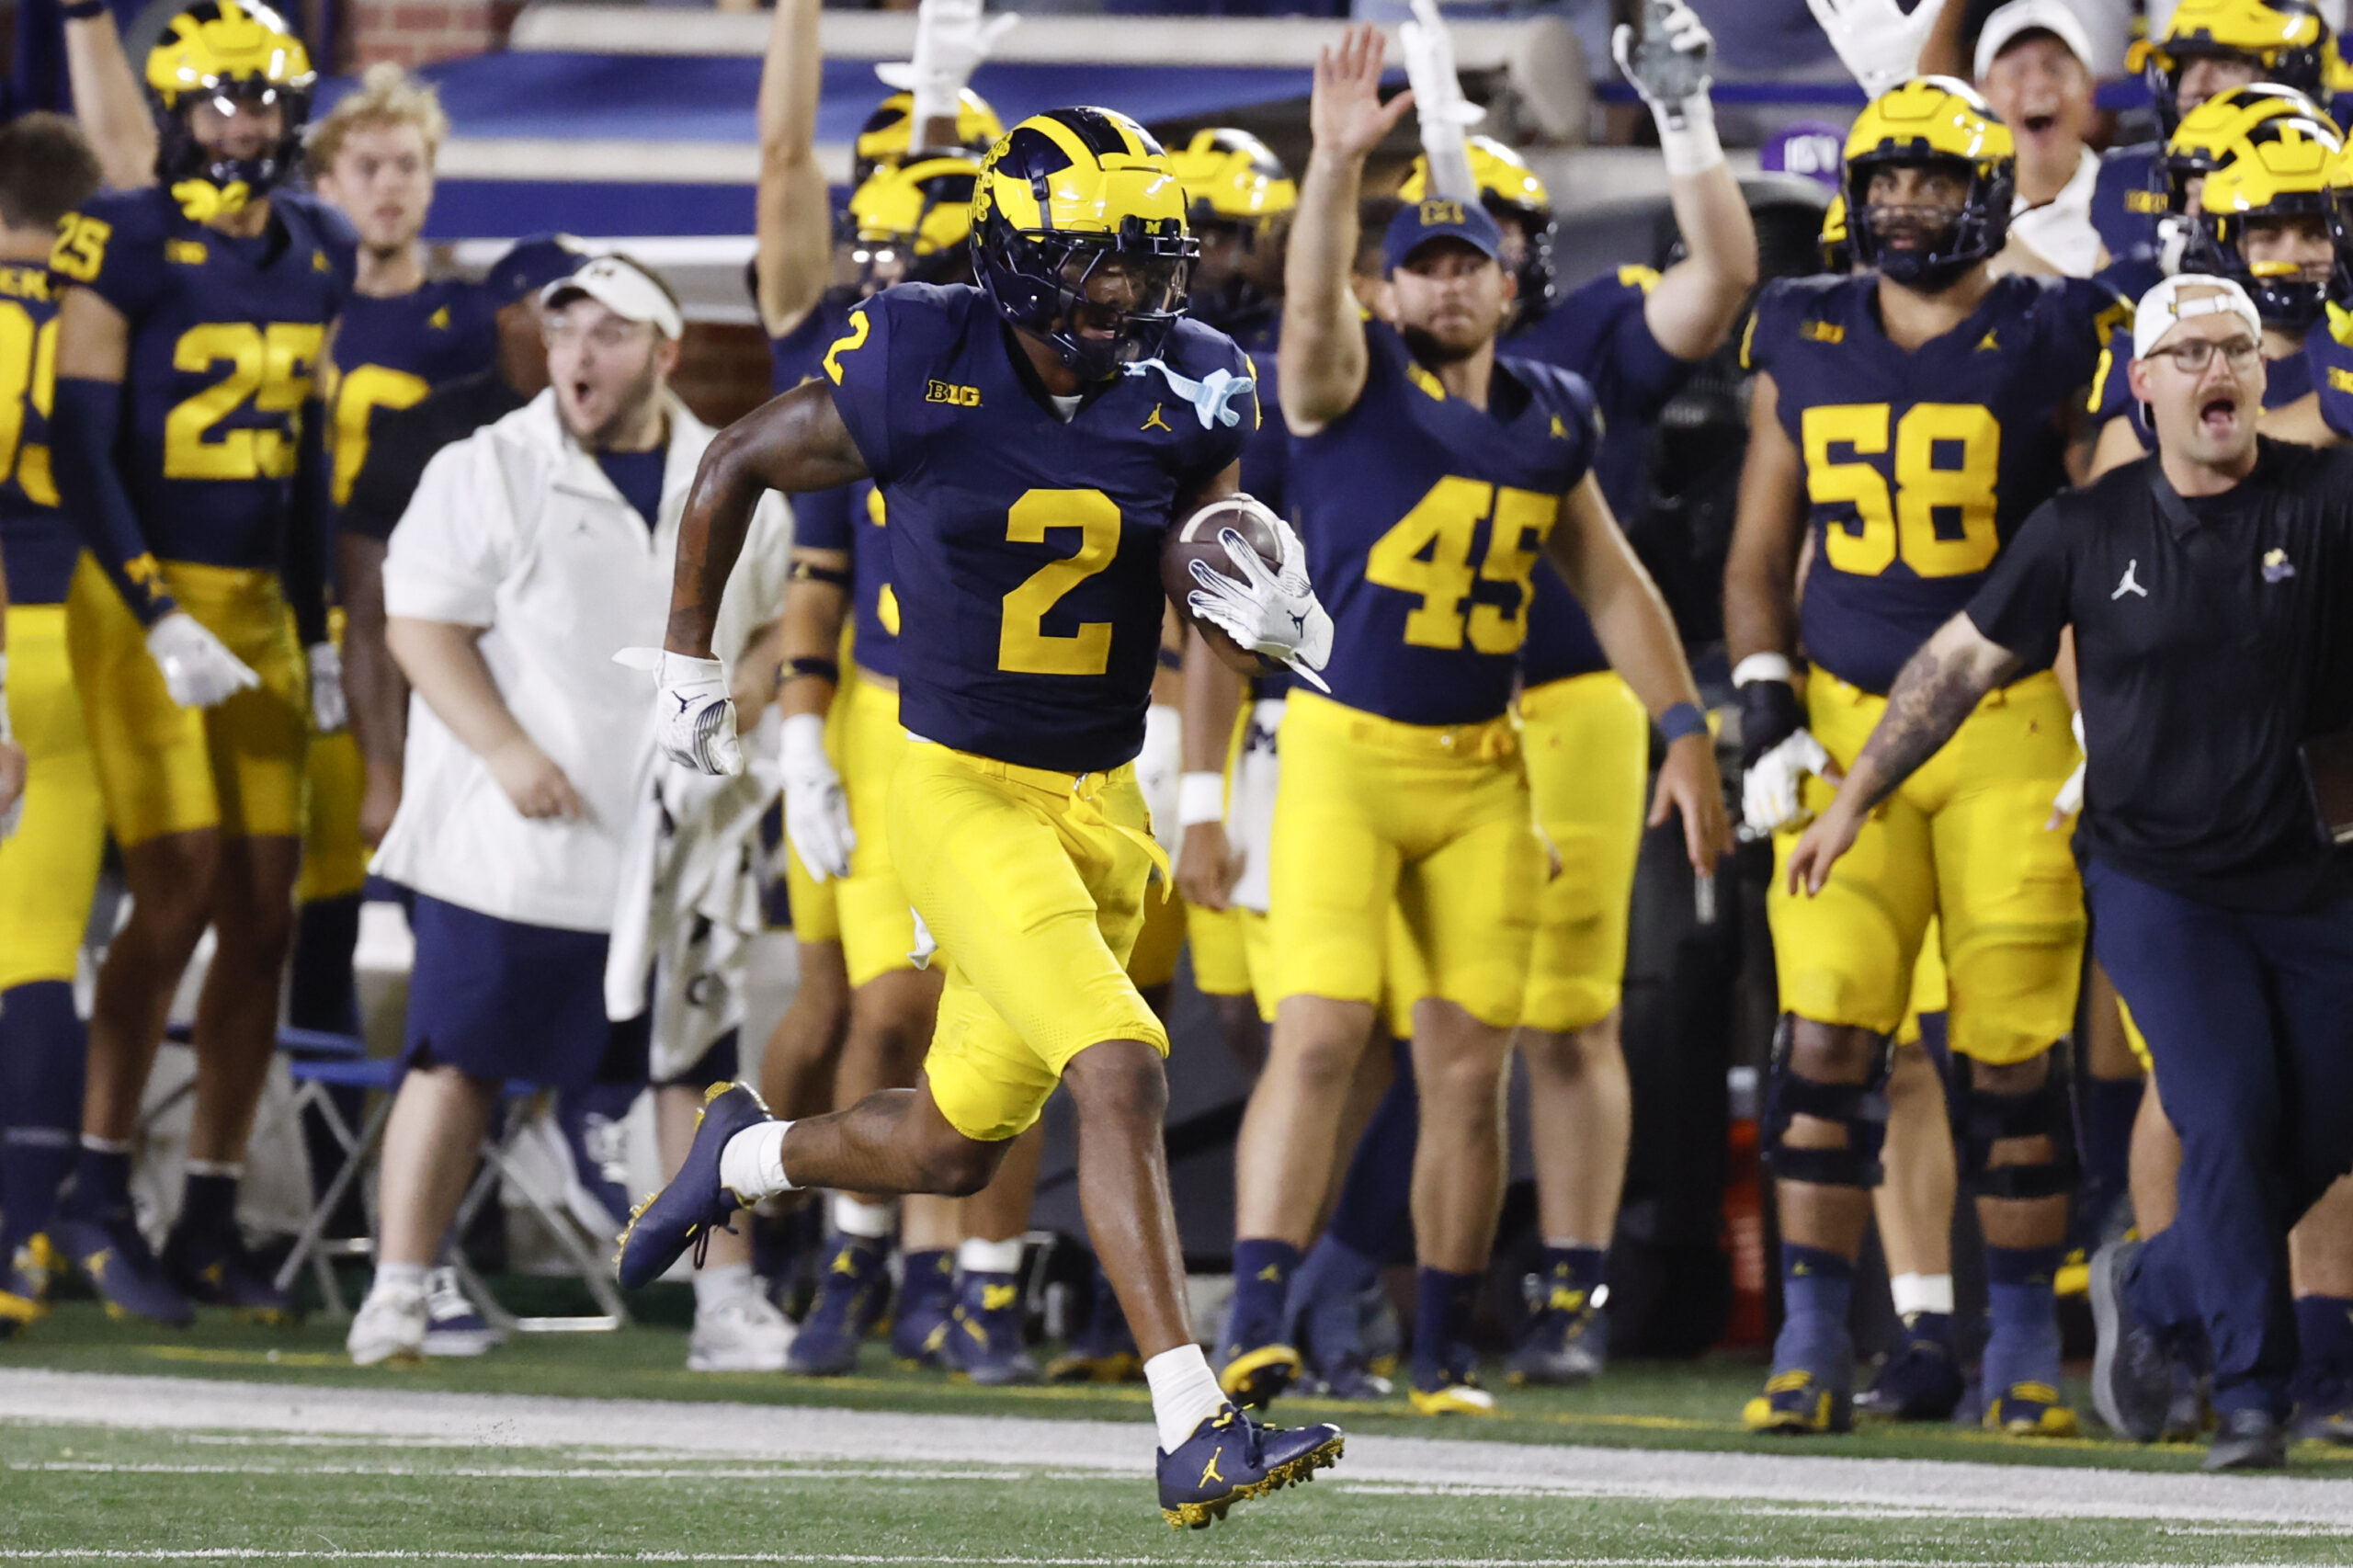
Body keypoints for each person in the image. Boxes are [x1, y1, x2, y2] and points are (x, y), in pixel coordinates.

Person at [619, 103, 1347, 1528]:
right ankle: (1192, 1421)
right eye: (1100, 264)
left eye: (1148, 261)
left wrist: (1271, 609)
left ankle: (745, 1153)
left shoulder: (1196, 381)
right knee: (1122, 1061)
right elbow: (732, 466)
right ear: (1017, 257)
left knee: (953, 1141)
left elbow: (1213, 566)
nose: (1130, 293)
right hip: (953, 787)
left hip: (1101, 791)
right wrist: (692, 659)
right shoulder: (918, 355)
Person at [1219, 27, 1730, 1420]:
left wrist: (1683, 725)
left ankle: (1439, 1340)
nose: (1448, 279)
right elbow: (1310, 315)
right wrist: (1332, 166)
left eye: (1469, 259)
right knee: (1322, 1032)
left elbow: (1614, 586)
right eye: (1424, 261)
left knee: (1468, 1064)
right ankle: (1254, 1314)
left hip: (1484, 773)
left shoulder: (1555, 410)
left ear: (1511, 282)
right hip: (1341, 753)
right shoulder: (1343, 385)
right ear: (1392, 286)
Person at [1790, 273, 2353, 1471]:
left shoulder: (2327, 497)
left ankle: (2154, 1289)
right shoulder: (2085, 526)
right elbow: (1953, 665)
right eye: (2188, 351)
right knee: (2234, 1113)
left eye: (2237, 349)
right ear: (2139, 386)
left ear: (2266, 376)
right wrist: (1852, 800)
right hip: (2158, 879)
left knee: (2327, 1119)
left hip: (2314, 874)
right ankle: (2251, 1392)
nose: (2216, 370)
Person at [1355, 0, 1755, 1392]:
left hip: (1571, 694)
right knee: (1399, 1024)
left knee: (1572, 1012)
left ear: (1526, 258)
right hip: (1390, 714)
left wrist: (1684, 119)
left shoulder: (1585, 335)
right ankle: (1382, 1285)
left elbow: (1719, 272)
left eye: (1500, 234)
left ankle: (1573, 1284)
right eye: (1443, 242)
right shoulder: (1361, 373)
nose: (1472, 261)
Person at [1725, 75, 2124, 1437]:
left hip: (2009, 722)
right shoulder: (1802, 324)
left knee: (2012, 1055)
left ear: (1987, 197)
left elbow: (2096, 528)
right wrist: (1762, 691)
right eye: (1883, 181)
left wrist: (2101, 716)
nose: (1903, 204)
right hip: (1842, 720)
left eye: (1933, 182)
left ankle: (2022, 1342)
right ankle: (1815, 1333)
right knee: (1825, 1040)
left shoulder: (2053, 327)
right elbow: (1759, 545)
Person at [347, 256, 795, 1371]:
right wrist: (501, 747)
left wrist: (755, 683)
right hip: (517, 837)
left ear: (665, 350)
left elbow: (789, 615)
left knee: (689, 1074)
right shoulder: (486, 464)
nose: (579, 357)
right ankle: (399, 1286)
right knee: (456, 1059)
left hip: (674, 839)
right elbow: (416, 621)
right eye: (565, 335)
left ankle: (724, 1306)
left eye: (608, 334)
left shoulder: (733, 467)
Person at [47, 0, 349, 1326]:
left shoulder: (317, 248)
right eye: (225, 101)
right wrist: (158, 608)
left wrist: (323, 629)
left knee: (267, 917)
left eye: (268, 100)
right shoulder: (118, 235)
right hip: (139, 603)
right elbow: (79, 447)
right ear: (175, 114)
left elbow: (302, 486)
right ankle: (96, 1186)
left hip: (261, 614)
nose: (249, 124)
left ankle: (215, 1208)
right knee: (172, 895)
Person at [0, 113, 106, 1335]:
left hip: (15, 644)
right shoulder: (97, 310)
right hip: (81, 650)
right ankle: (20, 1238)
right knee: (38, 956)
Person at [2093, 0, 2332, 266]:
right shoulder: (2122, 178)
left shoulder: (2338, 177)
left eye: (2227, 65)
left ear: (2293, 77)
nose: (2195, 87)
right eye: (2188, 66)